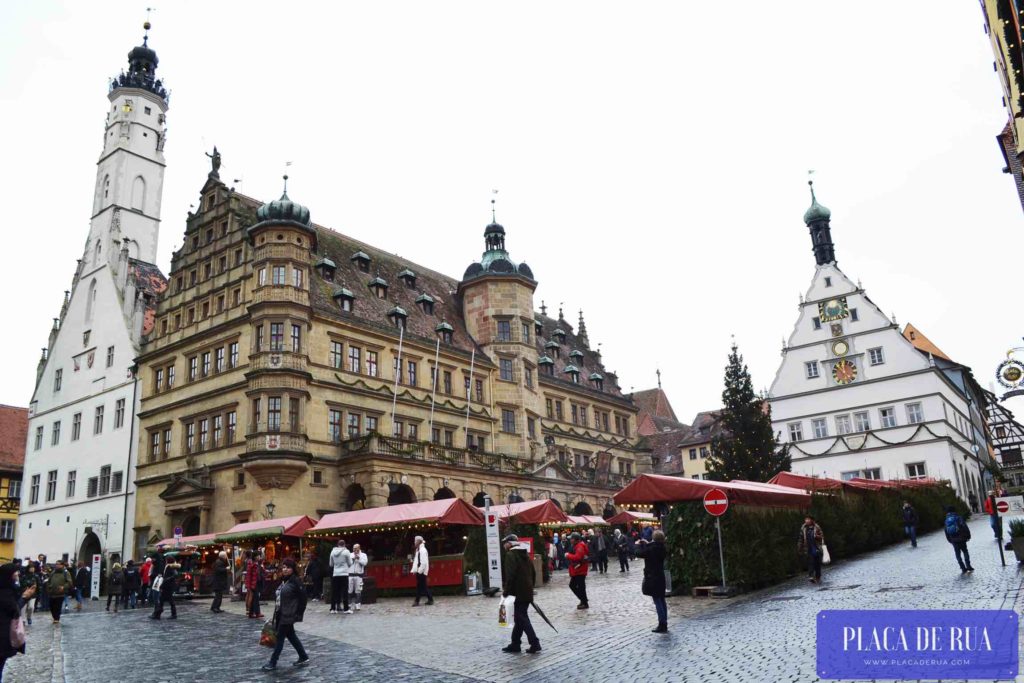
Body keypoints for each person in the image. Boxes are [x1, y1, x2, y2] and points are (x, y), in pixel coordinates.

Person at [261, 558, 309, 671]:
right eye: (283, 567)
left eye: (288, 567)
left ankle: (273, 662)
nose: (285, 569)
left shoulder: (296, 581)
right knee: (291, 635)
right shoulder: (283, 580)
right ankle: (303, 656)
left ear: (293, 569)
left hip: (288, 614)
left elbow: (303, 599)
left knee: (280, 638)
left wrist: (298, 613)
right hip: (280, 613)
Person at [500, 534, 541, 654]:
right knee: (519, 618)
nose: (504, 545)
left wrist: (506, 591)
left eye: (505, 543)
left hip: (517, 593)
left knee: (522, 618)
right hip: (526, 591)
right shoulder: (525, 554)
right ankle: (515, 643)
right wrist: (530, 588)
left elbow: (510, 575)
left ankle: (535, 643)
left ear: (509, 543)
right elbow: (533, 573)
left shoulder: (511, 555)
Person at [636, 530, 668, 633]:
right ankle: (664, 622)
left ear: (654, 538)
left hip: (652, 577)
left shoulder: (652, 549)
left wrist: (638, 545)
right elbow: (653, 547)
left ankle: (662, 624)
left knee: (657, 600)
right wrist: (648, 543)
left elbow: (639, 553)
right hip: (660, 576)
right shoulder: (662, 547)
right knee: (662, 600)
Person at [0, 563, 27, 679]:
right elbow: (14, 611)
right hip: (2, 634)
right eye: (15, 572)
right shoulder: (6, 592)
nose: (17, 574)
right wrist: (25, 598)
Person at [944, 505, 975, 573]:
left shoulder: (946, 520)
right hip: (961, 538)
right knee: (965, 551)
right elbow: (964, 527)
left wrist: (949, 540)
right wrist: (968, 535)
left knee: (957, 553)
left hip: (953, 540)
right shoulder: (958, 518)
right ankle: (968, 565)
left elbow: (946, 531)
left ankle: (962, 567)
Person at [565, 532, 589, 609]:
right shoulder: (577, 545)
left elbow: (577, 557)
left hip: (580, 570)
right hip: (578, 570)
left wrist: (568, 555)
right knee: (576, 586)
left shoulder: (580, 546)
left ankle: (584, 602)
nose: (570, 540)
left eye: (571, 538)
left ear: (576, 540)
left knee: (579, 586)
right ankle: (583, 600)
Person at [797, 515, 825, 584]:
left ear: (812, 520)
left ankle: (818, 576)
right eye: (805, 519)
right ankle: (811, 576)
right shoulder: (803, 528)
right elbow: (801, 538)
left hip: (816, 547)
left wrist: (817, 536)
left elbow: (822, 537)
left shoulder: (817, 527)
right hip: (808, 548)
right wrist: (799, 546)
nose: (806, 520)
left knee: (817, 564)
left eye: (808, 519)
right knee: (811, 562)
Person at [328, 540, 352, 614]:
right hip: (344, 573)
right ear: (344, 544)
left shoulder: (332, 552)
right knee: (345, 591)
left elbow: (331, 564)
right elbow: (350, 563)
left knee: (334, 591)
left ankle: (332, 608)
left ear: (337, 544)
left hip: (335, 574)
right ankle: (346, 609)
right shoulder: (346, 552)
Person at [411, 535, 433, 606]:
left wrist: (419, 571)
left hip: (421, 571)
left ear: (419, 541)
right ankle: (429, 599)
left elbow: (423, 563)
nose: (414, 542)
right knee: (422, 586)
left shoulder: (422, 550)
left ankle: (417, 601)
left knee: (420, 587)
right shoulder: (419, 550)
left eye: (415, 541)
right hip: (420, 571)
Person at [348, 544, 368, 611]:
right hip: (350, 575)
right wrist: (352, 560)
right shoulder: (350, 555)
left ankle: (358, 604)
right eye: (353, 548)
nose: (354, 550)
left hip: (358, 575)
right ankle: (349, 604)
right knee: (349, 590)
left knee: (358, 591)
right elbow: (347, 564)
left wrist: (359, 559)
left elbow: (365, 563)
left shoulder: (363, 555)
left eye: (356, 548)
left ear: (359, 548)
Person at [244, 551, 263, 619]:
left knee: (255, 598)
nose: (259, 557)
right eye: (258, 556)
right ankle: (256, 613)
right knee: (255, 598)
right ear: (254, 557)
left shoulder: (258, 563)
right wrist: (248, 586)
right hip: (253, 583)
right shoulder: (251, 564)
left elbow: (260, 572)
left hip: (257, 582)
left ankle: (252, 613)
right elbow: (248, 576)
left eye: (259, 556)